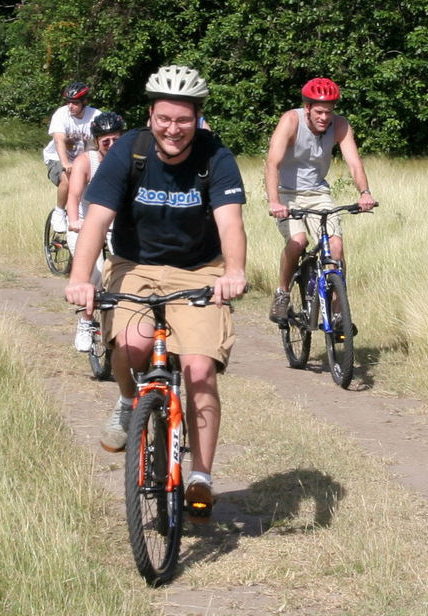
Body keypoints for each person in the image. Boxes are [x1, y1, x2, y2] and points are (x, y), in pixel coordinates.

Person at [64, 65, 248, 514]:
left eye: (184, 119)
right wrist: (79, 279)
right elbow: (97, 220)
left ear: (198, 119)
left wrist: (235, 271)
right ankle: (129, 400)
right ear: (150, 115)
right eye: (165, 118)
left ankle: (201, 477)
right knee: (132, 346)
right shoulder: (130, 151)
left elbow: (230, 222)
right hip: (134, 263)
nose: (173, 128)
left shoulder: (214, 156)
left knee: (200, 370)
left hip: (199, 269)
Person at [265, 77, 376, 322]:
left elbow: (354, 163)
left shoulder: (340, 126)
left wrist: (365, 192)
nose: (324, 117)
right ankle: (282, 293)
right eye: (319, 111)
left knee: (335, 248)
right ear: (307, 108)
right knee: (298, 241)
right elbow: (272, 163)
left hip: (318, 193)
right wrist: (275, 201)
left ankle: (338, 314)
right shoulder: (290, 121)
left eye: (329, 112)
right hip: (286, 193)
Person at [67, 111, 126, 352]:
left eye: (117, 140)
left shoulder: (130, 161)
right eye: (106, 142)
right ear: (97, 142)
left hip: (117, 228)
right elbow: (73, 196)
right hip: (85, 225)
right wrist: (73, 220)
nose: (112, 146)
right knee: (94, 274)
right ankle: (86, 322)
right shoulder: (86, 162)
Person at [43, 82, 102, 233]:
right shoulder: (61, 114)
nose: (70, 106)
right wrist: (65, 162)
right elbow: (59, 139)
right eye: (68, 102)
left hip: (85, 160)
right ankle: (59, 212)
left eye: (75, 103)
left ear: (85, 102)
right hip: (57, 157)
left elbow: (103, 142)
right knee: (68, 178)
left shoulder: (96, 116)